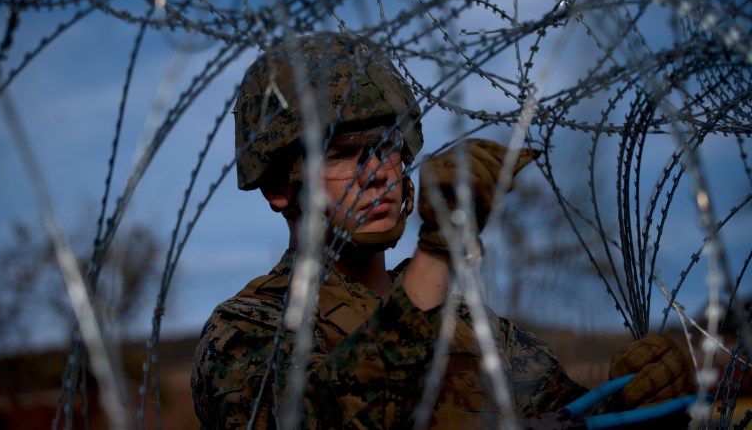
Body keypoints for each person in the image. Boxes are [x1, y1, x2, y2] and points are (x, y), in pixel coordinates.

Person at [191, 32, 696, 429]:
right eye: (342, 153)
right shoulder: (247, 332)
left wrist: (643, 402)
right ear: (278, 188)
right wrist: (438, 254)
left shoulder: (475, 329)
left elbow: (566, 416)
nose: (379, 172)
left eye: (387, 145)